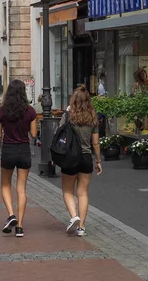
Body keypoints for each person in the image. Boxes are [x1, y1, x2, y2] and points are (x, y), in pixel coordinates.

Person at [0, 79, 38, 237]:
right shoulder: (30, 111)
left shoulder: (2, 111)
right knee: (21, 189)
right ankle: (19, 226)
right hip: (24, 150)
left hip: (8, 150)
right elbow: (33, 134)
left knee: (5, 185)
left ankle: (11, 214)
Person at [60, 86, 103, 237]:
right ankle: (82, 227)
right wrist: (98, 161)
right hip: (86, 157)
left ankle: (74, 216)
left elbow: (60, 133)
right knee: (83, 193)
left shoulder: (68, 115)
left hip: (70, 157)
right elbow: (96, 143)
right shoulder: (92, 116)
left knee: (67, 190)